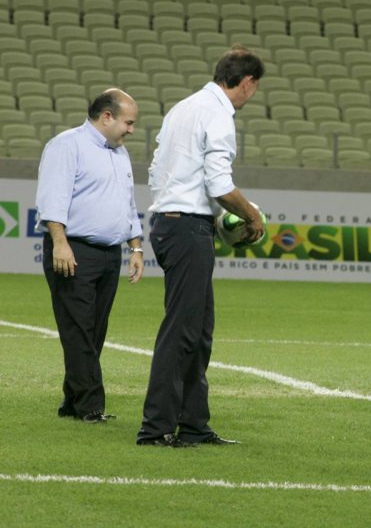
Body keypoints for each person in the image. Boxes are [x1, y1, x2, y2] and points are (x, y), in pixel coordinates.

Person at [136, 46, 266, 448]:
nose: (252, 95)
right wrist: (252, 217)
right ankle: (156, 428)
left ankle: (193, 423)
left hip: (171, 221)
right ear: (246, 83)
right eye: (254, 88)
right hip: (186, 227)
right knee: (182, 331)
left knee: (198, 329)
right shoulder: (219, 116)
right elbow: (220, 185)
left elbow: (158, 169)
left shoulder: (183, 108)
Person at [35, 89, 144, 423]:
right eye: (129, 122)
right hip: (74, 250)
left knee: (94, 330)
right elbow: (52, 197)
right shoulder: (67, 145)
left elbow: (128, 204)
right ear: (107, 116)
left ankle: (72, 402)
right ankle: (90, 407)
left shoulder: (119, 153)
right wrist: (60, 242)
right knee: (79, 329)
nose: (131, 130)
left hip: (109, 254)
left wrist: (135, 246)